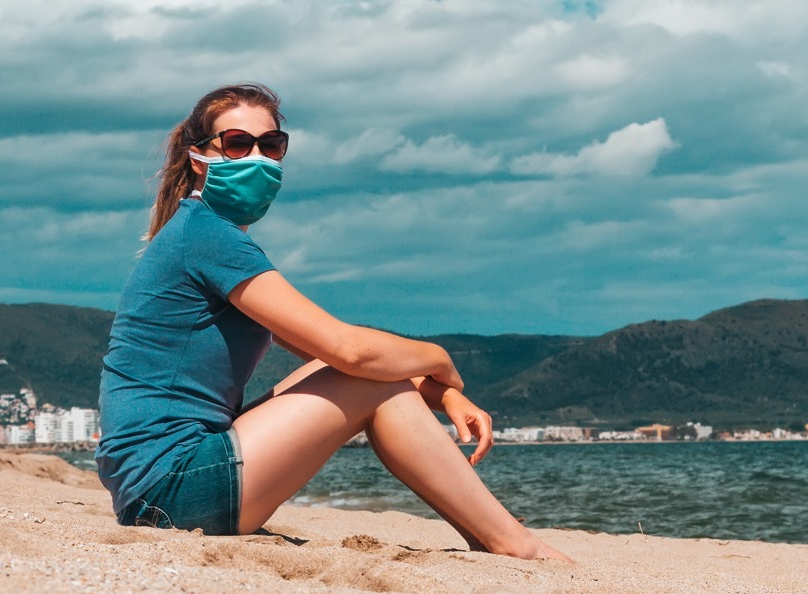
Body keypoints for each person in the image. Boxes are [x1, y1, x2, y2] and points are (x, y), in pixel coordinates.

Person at [97, 83, 571, 562]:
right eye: (238, 143)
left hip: (158, 488)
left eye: (272, 145)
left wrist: (444, 394)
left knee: (353, 374)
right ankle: (513, 542)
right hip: (171, 490)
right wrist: (441, 359)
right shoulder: (209, 238)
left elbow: (330, 353)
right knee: (365, 379)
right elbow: (351, 350)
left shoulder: (200, 233)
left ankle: (490, 532)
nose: (257, 157)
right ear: (200, 157)